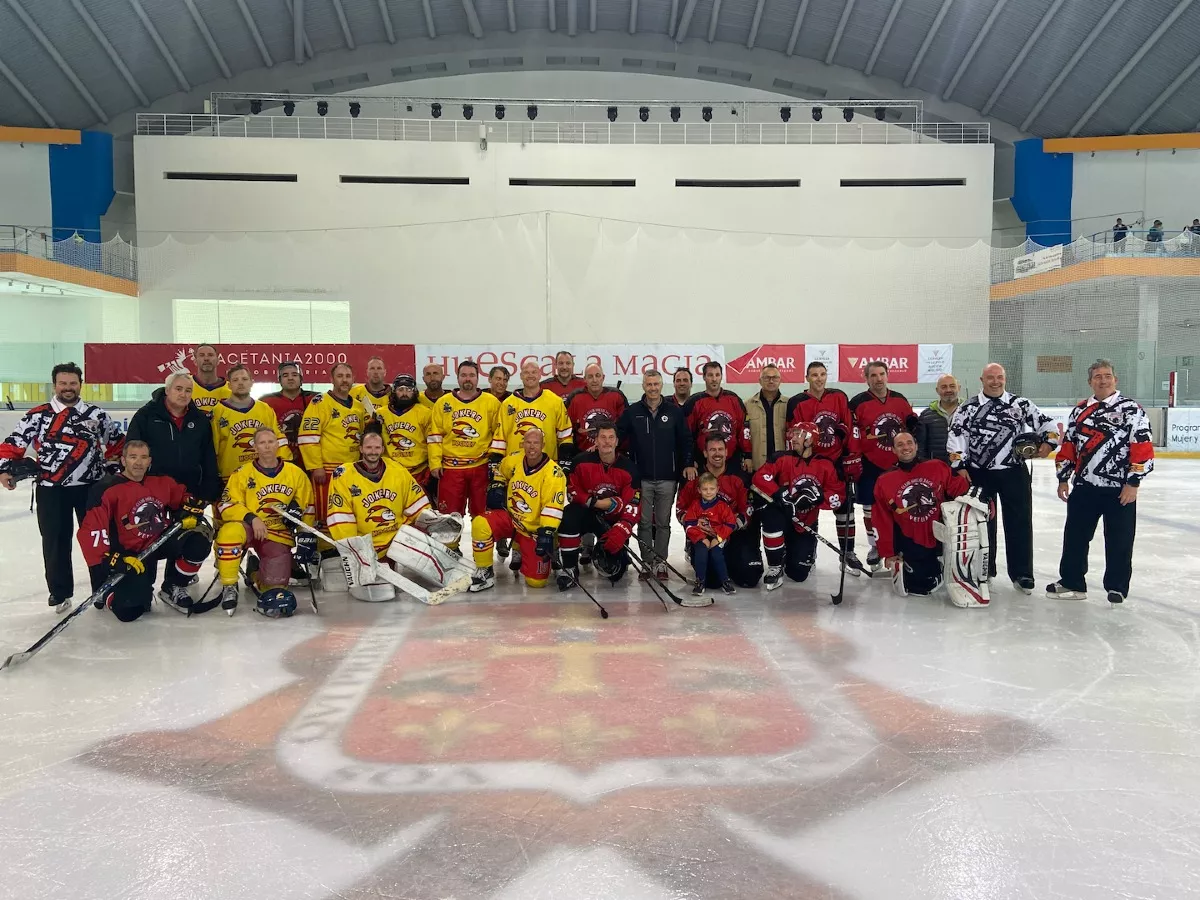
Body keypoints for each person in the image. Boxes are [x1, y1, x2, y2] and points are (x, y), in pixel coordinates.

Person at [0, 362, 124, 612]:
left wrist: (111, 471)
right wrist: (4, 469)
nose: (68, 388)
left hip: (91, 488)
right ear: (55, 384)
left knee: (97, 539)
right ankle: (59, 591)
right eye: (63, 383)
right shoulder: (37, 414)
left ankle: (102, 589)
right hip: (51, 488)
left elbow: (117, 443)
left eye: (73, 383)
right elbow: (13, 444)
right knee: (55, 540)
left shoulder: (96, 414)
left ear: (80, 384)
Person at [1049, 359, 1153, 604]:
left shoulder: (1131, 409)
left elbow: (1142, 446)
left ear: (1115, 379)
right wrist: (1063, 478)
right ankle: (1072, 582)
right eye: (1097, 376)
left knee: (1120, 539)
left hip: (1119, 489)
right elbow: (1069, 447)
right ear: (1090, 381)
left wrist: (1133, 482)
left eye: (1107, 375)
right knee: (1075, 537)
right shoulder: (1080, 410)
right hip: (1085, 487)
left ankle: (1116, 587)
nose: (1103, 380)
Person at [947, 363, 1057, 594]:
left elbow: (1048, 424)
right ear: (982, 379)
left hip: (1013, 472)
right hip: (979, 473)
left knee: (1020, 522)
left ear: (1005, 379)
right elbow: (956, 436)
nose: (995, 382)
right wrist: (959, 466)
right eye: (990, 378)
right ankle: (984, 569)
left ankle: (1022, 574)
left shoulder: (1020, 404)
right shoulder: (969, 407)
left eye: (999, 377)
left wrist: (1049, 443)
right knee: (982, 524)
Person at [78, 440, 211, 619]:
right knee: (130, 611)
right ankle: (107, 591)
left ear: (150, 461)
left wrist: (190, 505)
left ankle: (173, 585)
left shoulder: (162, 482)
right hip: (127, 555)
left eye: (143, 457)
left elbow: (182, 497)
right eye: (133, 457)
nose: (138, 462)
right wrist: (110, 559)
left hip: (157, 543)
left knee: (198, 541)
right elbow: (91, 530)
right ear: (123, 460)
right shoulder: (106, 489)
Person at [126, 372, 220, 593]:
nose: (183, 394)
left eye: (188, 390)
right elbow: (132, 453)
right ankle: (142, 588)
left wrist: (207, 490)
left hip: (189, 493)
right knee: (147, 540)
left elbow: (208, 457)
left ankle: (174, 585)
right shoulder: (146, 416)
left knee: (193, 540)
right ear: (167, 390)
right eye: (178, 389)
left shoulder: (199, 420)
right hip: (151, 494)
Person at [214, 427, 316, 616]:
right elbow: (226, 505)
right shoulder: (242, 473)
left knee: (274, 586)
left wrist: (303, 532)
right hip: (248, 527)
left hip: (277, 532)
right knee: (228, 534)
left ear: (278, 445)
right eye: (262, 443)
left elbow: (308, 507)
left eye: (271, 442)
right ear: (254, 447)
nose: (267, 446)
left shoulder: (296, 474)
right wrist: (252, 518)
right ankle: (229, 585)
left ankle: (254, 572)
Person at [327, 429, 439, 600]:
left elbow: (416, 503)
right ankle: (359, 568)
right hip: (367, 544)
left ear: (382, 449)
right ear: (361, 449)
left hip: (394, 538)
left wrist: (431, 524)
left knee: (427, 541)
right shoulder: (344, 475)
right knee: (383, 592)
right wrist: (353, 549)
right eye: (369, 447)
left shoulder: (397, 470)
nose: (373, 452)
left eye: (377, 447)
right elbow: (341, 516)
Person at [873, 431, 973, 599]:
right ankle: (921, 564)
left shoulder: (936, 466)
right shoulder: (885, 480)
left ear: (916, 445)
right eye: (900, 444)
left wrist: (978, 497)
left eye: (909, 443)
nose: (906, 447)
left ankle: (941, 561)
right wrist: (888, 552)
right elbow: (881, 519)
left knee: (926, 582)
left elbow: (960, 489)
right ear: (893, 450)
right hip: (909, 537)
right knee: (918, 586)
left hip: (938, 535)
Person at [617, 369, 695, 580]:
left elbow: (685, 440)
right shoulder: (633, 412)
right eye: (649, 384)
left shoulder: (674, 412)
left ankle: (660, 562)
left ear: (662, 386)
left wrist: (687, 463)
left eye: (656, 384)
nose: (652, 388)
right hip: (640, 479)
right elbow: (616, 436)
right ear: (643, 386)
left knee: (662, 522)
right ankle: (646, 562)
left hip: (667, 477)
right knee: (643, 523)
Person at [470, 428, 566, 592]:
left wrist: (547, 532)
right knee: (480, 523)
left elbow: (553, 506)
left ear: (543, 445)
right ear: (523, 444)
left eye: (536, 443)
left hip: (533, 530)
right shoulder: (514, 459)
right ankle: (484, 570)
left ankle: (549, 551)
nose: (532, 447)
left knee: (537, 583)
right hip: (511, 518)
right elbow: (500, 471)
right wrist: (497, 484)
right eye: (528, 442)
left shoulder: (554, 473)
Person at [787, 361, 862, 572]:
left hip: (837, 462)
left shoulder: (838, 396)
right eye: (814, 375)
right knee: (808, 506)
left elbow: (849, 426)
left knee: (844, 508)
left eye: (822, 374)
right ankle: (808, 553)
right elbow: (794, 435)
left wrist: (851, 456)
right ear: (806, 378)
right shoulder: (798, 402)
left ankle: (847, 553)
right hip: (812, 463)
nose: (818, 378)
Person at [751, 423, 844, 591]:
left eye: (798, 435)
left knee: (798, 574)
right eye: (792, 434)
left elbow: (838, 496)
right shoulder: (781, 458)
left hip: (805, 524)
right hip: (784, 516)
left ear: (809, 439)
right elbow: (760, 477)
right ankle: (775, 566)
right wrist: (780, 494)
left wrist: (818, 498)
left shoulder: (825, 464)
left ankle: (797, 550)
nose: (792, 438)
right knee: (770, 515)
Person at [849, 361, 916, 574]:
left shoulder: (900, 400)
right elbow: (853, 433)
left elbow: (911, 426)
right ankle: (875, 547)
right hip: (870, 463)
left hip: (898, 465)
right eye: (873, 375)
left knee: (899, 505)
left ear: (887, 376)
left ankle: (900, 546)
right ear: (866, 378)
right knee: (869, 508)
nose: (878, 379)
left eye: (881, 374)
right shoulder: (858, 402)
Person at [556, 423, 639, 589]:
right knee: (569, 516)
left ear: (617, 442)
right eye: (603, 437)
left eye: (611, 438)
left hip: (612, 520)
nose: (607, 442)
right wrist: (597, 503)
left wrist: (623, 527)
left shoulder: (629, 468)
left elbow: (633, 503)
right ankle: (570, 568)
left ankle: (610, 554)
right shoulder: (580, 462)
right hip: (587, 513)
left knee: (615, 571)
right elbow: (572, 491)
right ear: (596, 441)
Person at [676, 434, 761, 587]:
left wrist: (732, 525)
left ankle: (737, 557)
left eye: (720, 449)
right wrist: (695, 524)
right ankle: (693, 550)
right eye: (712, 450)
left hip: (732, 535)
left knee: (749, 577)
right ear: (705, 453)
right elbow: (680, 509)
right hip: (705, 537)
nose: (717, 453)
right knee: (712, 582)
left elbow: (748, 508)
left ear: (727, 452)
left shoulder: (738, 477)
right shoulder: (694, 477)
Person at [427, 359, 502, 524]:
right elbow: (434, 435)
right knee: (448, 515)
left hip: (480, 466)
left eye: (471, 375)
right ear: (457, 377)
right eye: (463, 375)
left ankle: (482, 548)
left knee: (482, 514)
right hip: (450, 468)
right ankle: (452, 548)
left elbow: (499, 433)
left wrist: (495, 463)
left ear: (477, 378)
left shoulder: (491, 402)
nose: (467, 379)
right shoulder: (443, 403)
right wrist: (434, 463)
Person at [298, 363, 368, 528]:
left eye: (348, 376)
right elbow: (308, 436)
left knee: (350, 510)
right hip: (328, 470)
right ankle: (325, 548)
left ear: (353, 379)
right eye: (340, 376)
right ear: (331, 379)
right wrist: (316, 466)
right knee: (326, 511)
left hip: (353, 469)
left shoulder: (358, 407)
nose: (344, 380)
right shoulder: (320, 402)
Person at [211, 364, 290, 489]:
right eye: (235, 380)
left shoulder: (264, 409)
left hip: (263, 474)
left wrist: (285, 464)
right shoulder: (217, 412)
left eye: (244, 379)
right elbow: (212, 448)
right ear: (229, 385)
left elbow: (278, 439)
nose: (240, 383)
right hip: (230, 477)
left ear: (252, 382)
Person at [491, 359, 574, 464]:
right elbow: (500, 438)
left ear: (540, 375)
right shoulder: (508, 404)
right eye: (526, 372)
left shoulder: (555, 401)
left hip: (546, 466)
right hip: (515, 466)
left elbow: (565, 436)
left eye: (534, 372)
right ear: (521, 376)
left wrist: (565, 460)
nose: (530, 375)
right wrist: (495, 462)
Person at [683, 361, 752, 467]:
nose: (714, 379)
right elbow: (687, 435)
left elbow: (744, 430)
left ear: (721, 377)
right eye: (710, 375)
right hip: (703, 462)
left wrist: (748, 456)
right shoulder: (694, 402)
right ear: (704, 377)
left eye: (717, 375)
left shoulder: (734, 399)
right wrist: (690, 461)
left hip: (732, 461)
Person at [682, 473, 738, 597]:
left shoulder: (722, 506)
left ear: (717, 489)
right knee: (701, 552)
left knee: (716, 553)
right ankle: (700, 581)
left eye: (712, 489)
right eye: (705, 489)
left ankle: (725, 581)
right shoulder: (695, 505)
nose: (708, 492)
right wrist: (701, 538)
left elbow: (730, 524)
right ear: (699, 490)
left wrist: (718, 538)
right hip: (701, 537)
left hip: (718, 537)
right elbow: (689, 524)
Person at [376, 374, 434, 491]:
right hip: (391, 472)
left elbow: (433, 443)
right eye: (400, 389)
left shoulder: (425, 413)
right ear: (394, 392)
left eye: (408, 390)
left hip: (420, 472)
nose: (404, 393)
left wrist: (432, 466)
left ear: (415, 392)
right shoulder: (380, 414)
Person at [261, 361, 317, 468]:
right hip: (279, 460)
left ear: (301, 379)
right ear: (279, 380)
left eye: (295, 375)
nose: (290, 378)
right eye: (285, 375)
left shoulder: (315, 399)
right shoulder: (266, 401)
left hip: (310, 459)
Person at [564, 364, 628, 453]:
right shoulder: (575, 398)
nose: (594, 380)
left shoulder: (616, 396)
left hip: (612, 453)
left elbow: (625, 427)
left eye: (598, 376)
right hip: (582, 454)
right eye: (590, 376)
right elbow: (566, 428)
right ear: (584, 379)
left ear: (603, 377)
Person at [746, 364, 788, 471]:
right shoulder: (748, 405)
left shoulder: (789, 404)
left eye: (775, 378)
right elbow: (744, 435)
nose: (771, 381)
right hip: (757, 465)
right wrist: (746, 457)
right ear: (760, 381)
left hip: (783, 465)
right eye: (767, 377)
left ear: (780, 381)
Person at [915, 374, 961, 464]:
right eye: (944, 387)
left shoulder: (969, 412)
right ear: (937, 390)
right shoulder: (926, 416)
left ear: (958, 388)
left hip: (963, 470)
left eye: (952, 386)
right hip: (935, 470)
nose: (948, 390)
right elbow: (920, 447)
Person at [190, 343, 231, 416]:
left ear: (218, 360)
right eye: (202, 355)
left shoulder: (231, 388)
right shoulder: (186, 385)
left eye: (210, 355)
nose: (206, 359)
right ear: (195, 361)